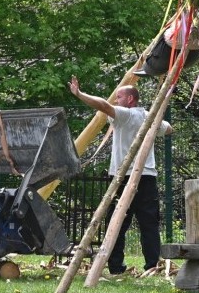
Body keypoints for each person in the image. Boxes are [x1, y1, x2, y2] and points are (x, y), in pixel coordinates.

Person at [69, 76, 173, 275]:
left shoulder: (125, 115)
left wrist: (80, 94)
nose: (116, 101)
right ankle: (152, 265)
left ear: (130, 100)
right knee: (149, 223)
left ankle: (116, 267)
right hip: (147, 176)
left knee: (116, 222)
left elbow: (102, 105)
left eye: (119, 97)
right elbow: (168, 129)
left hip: (123, 176)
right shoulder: (149, 116)